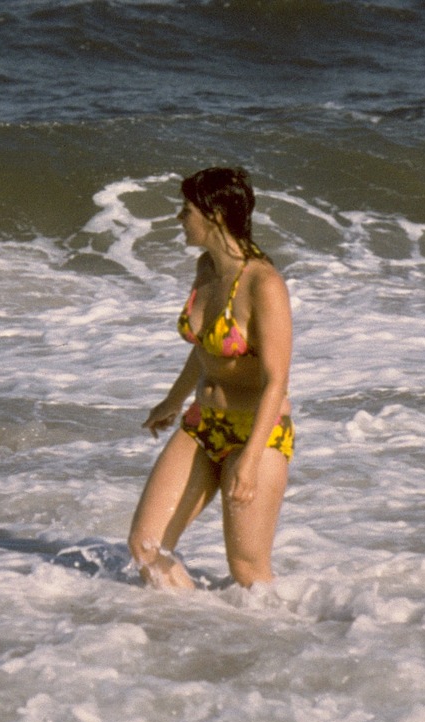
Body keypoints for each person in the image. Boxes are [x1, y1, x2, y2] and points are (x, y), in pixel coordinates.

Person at [127, 167, 294, 590]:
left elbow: (276, 379)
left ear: (215, 213)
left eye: (186, 210)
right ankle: (198, 630)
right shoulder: (206, 269)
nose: (180, 219)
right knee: (146, 547)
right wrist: (172, 401)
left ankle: (279, 643)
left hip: (257, 432)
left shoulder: (264, 283)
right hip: (204, 424)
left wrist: (251, 461)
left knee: (247, 570)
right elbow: (204, 348)